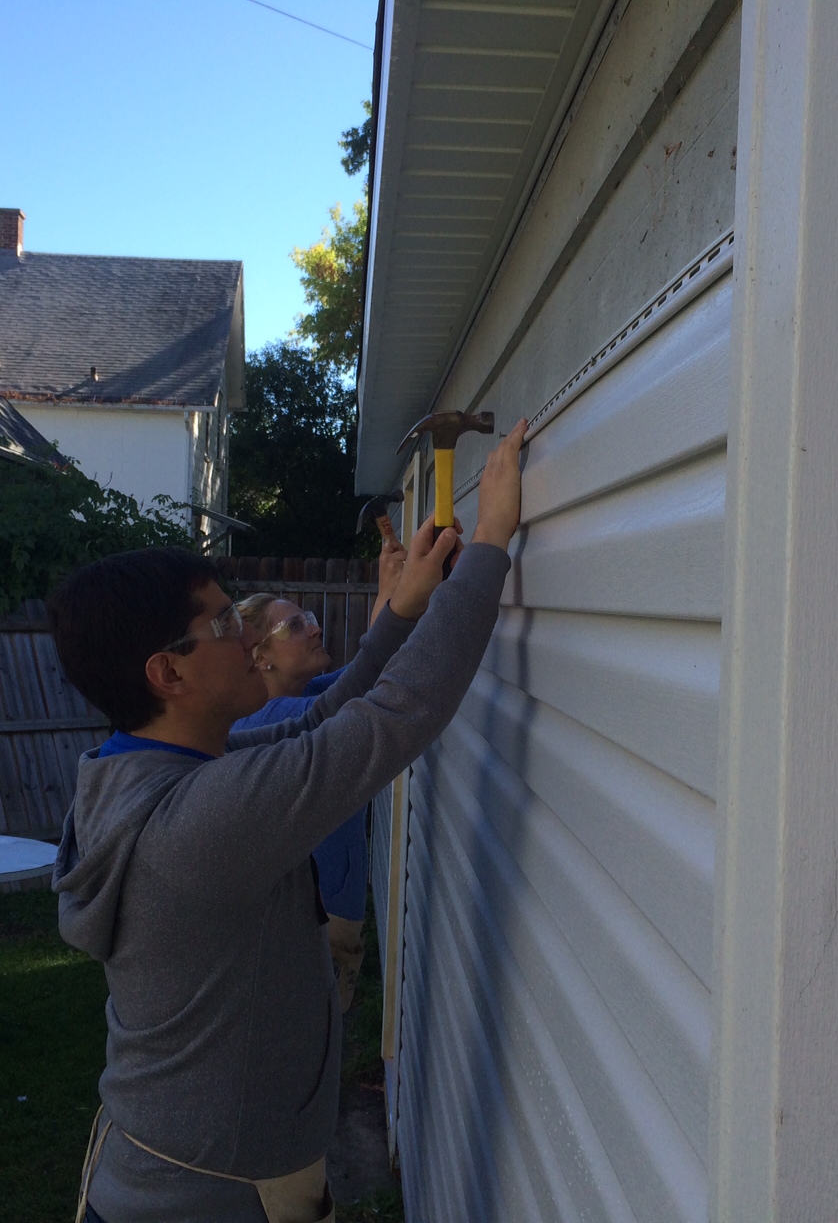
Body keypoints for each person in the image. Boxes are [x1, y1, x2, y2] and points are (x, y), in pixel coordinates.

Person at [50, 422, 527, 1223]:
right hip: (212, 1197)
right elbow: (395, 719)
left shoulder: (149, 769)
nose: (247, 638)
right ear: (168, 673)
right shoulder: (202, 819)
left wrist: (401, 612)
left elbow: (326, 720)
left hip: (184, 1169)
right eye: (223, 627)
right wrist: (489, 546)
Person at [230, 538, 404, 1013]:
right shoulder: (259, 725)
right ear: (259, 655)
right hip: (304, 928)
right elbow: (359, 699)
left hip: (329, 919)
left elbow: (370, 669)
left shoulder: (312, 697)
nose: (313, 628)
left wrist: (392, 588)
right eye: (294, 624)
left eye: (310, 619)